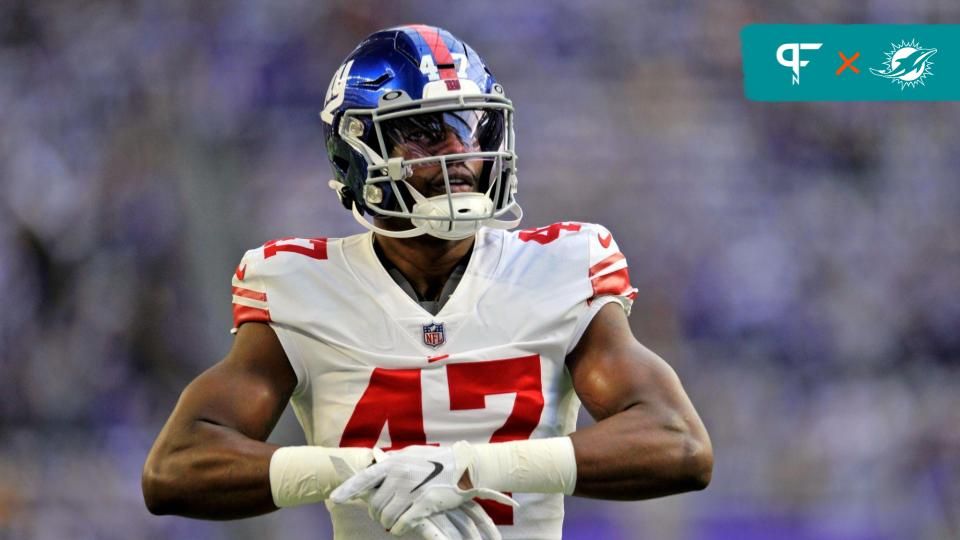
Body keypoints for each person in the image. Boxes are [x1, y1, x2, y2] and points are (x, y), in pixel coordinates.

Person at [142, 24, 712, 540]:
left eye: (469, 126)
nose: (460, 152)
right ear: (356, 153)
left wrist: (470, 470)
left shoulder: (560, 267)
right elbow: (175, 468)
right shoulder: (299, 284)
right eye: (423, 132)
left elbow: (678, 445)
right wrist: (355, 471)